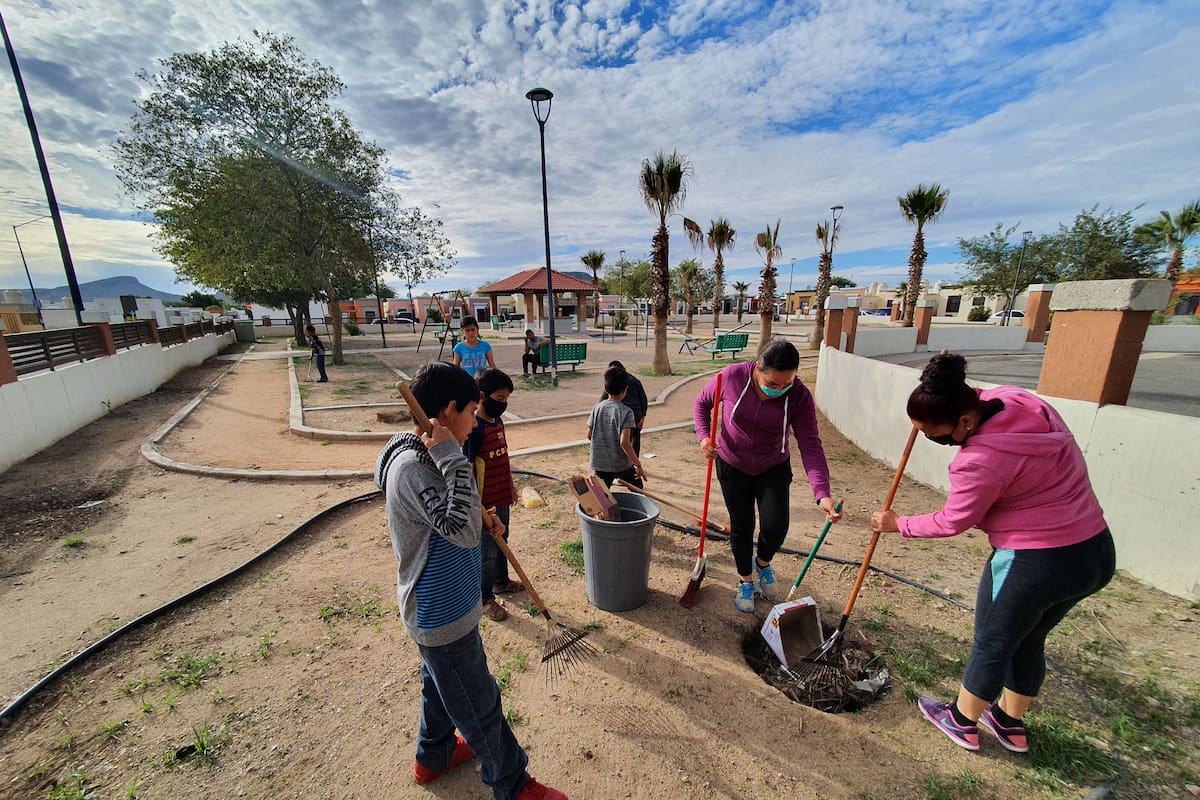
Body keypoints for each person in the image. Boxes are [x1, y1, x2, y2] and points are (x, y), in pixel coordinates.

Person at [870, 353, 1115, 754]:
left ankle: (962, 721)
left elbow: (953, 520)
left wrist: (898, 525)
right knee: (1030, 636)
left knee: (994, 641)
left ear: (966, 421)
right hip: (1094, 552)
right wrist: (931, 410)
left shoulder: (979, 461)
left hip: (1035, 561)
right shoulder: (1020, 402)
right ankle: (1007, 720)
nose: (937, 442)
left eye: (937, 435)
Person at [374, 362, 567, 800]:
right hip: (438, 609)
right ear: (448, 410)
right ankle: (513, 785)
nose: (474, 424)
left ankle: (434, 755)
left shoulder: (432, 454)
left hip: (451, 603)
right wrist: (452, 457)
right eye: (471, 413)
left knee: (441, 685)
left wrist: (485, 521)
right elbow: (458, 528)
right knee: (478, 704)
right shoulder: (414, 467)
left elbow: (455, 522)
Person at [693, 339, 841, 613]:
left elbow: (810, 443)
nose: (780, 390)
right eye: (773, 384)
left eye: (786, 384)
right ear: (758, 368)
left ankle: (761, 564)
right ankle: (745, 581)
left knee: (775, 527)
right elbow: (702, 405)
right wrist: (704, 438)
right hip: (732, 464)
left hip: (773, 466)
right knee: (742, 525)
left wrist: (822, 493)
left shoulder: (799, 395)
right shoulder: (732, 376)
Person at [465, 368, 523, 623]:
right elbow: (467, 471)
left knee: (503, 541)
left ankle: (501, 582)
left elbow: (504, 456)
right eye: (499, 399)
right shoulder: (473, 429)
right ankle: (485, 598)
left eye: (506, 399)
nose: (503, 404)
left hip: (501, 496)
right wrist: (476, 505)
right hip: (484, 504)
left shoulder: (497, 422)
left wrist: (510, 485)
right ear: (482, 396)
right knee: (487, 552)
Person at [587, 366, 645, 488]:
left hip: (600, 463)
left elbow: (589, 435)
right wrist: (638, 465)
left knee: (601, 496)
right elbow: (624, 442)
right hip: (620, 464)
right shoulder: (626, 412)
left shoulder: (597, 408)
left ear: (605, 388)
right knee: (638, 488)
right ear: (625, 389)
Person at [597, 361, 648, 454]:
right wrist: (643, 417)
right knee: (634, 437)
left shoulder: (613, 382)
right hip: (636, 412)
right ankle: (634, 461)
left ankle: (623, 458)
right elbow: (643, 399)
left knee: (620, 438)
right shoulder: (635, 381)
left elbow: (602, 400)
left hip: (621, 413)